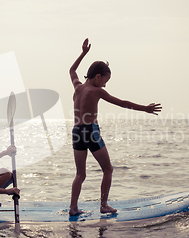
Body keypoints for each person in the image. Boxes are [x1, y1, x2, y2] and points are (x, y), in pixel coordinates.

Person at [69, 38, 162, 216]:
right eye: (105, 80)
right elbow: (122, 103)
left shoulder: (78, 87)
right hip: (90, 132)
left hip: (76, 132)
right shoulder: (97, 91)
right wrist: (146, 109)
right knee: (108, 169)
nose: (105, 84)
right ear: (98, 77)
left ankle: (73, 208)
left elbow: (72, 70)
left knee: (80, 174)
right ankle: (103, 205)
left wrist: (83, 53)